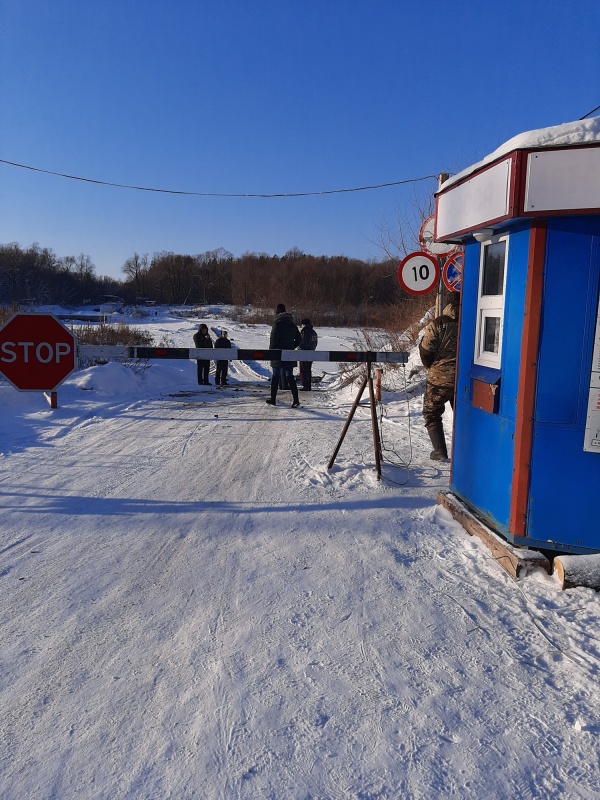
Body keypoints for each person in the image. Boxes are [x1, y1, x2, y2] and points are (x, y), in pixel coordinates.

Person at [419, 293, 459, 460]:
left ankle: (440, 452)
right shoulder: (473, 321)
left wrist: (432, 366)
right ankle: (465, 452)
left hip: (440, 379)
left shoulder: (439, 323)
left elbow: (426, 351)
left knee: (432, 412)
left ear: (447, 305)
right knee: (463, 416)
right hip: (464, 377)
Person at [266, 303, 301, 407]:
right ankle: (296, 400)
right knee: (290, 376)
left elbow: (273, 339)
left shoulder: (277, 324)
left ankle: (273, 399)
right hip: (289, 354)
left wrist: (271, 351)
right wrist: (292, 346)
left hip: (277, 353)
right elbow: (299, 339)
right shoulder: (292, 324)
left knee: (275, 376)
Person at [298, 318, 318, 391]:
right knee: (308, 369)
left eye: (302, 325)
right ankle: (308, 385)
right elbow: (315, 343)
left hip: (304, 353)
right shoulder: (313, 332)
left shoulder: (305, 332)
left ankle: (305, 385)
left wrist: (299, 347)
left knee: (303, 370)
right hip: (311, 352)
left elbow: (303, 344)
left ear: (304, 324)